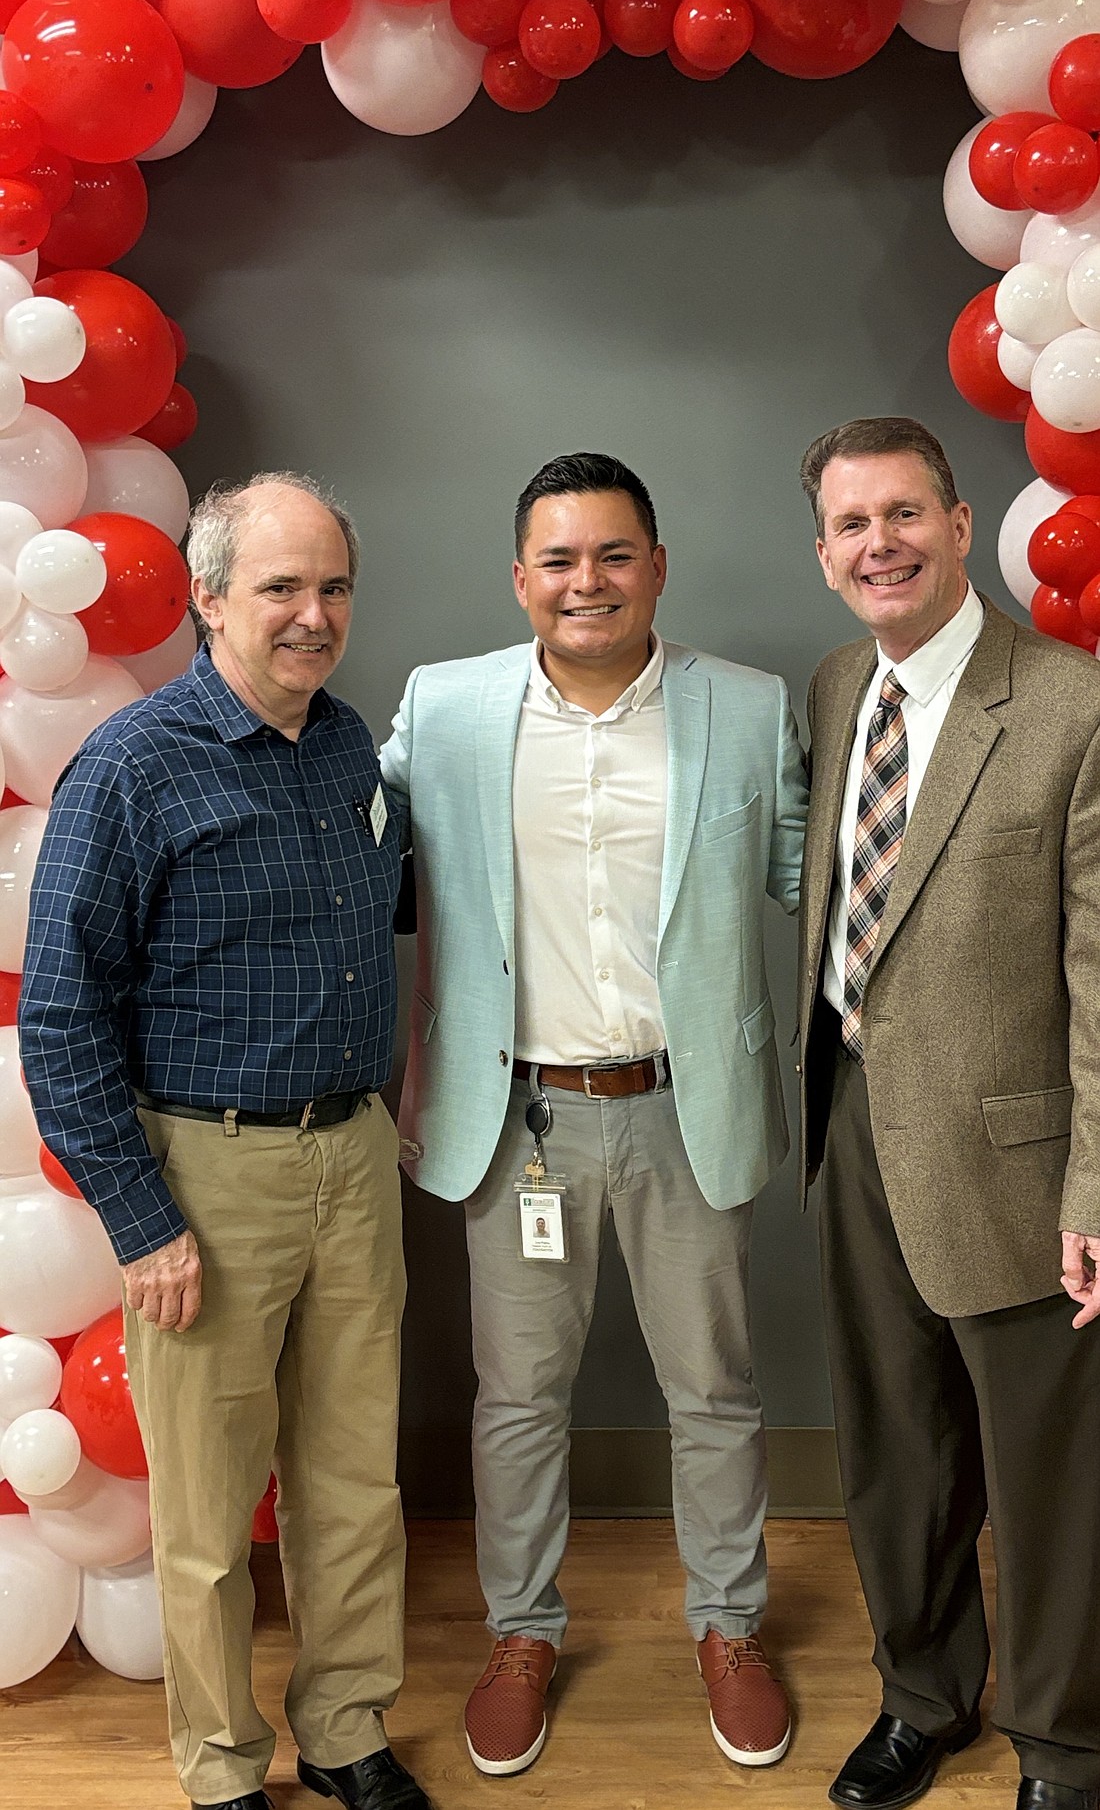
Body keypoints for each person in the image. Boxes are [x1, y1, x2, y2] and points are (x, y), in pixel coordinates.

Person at [381, 451, 808, 1779]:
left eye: (614, 554)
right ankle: (520, 1633)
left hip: (691, 1107)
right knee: (516, 1399)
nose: (587, 582)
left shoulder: (746, 707)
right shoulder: (443, 711)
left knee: (717, 1393)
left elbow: (820, 875)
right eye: (559, 560)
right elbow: (354, 851)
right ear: (521, 580)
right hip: (520, 1124)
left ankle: (730, 1628)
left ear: (658, 567)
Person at [20, 475, 431, 1810]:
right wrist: (142, 1219)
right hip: (207, 1177)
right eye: (280, 588)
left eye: (333, 589)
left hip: (353, 1162)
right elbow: (64, 1016)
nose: (313, 617)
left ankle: (351, 1731)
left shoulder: (345, 746)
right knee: (206, 1513)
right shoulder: (132, 768)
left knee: (353, 1483)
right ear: (207, 598)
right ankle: (220, 1767)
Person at [797, 416, 1100, 1810]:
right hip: (855, 1118)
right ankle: (925, 1698)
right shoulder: (833, 685)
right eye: (853, 526)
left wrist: (1096, 1192)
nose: (882, 544)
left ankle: (1064, 1740)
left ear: (962, 523)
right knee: (896, 1447)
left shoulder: (1069, 703)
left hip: (1021, 1154)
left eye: (904, 514)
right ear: (825, 555)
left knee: (1047, 1475)